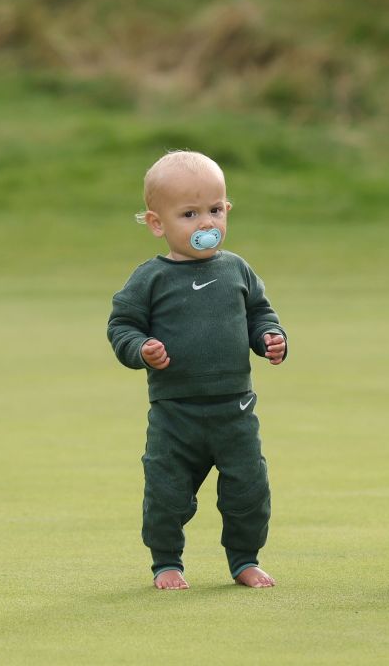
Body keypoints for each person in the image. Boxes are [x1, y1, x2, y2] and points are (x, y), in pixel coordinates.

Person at [107, 151, 288, 590]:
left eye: (215, 210)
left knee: (249, 490)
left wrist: (269, 338)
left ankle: (244, 559)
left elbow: (259, 315)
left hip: (235, 410)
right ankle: (166, 561)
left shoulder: (236, 270)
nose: (206, 224)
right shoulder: (151, 278)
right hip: (176, 414)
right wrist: (141, 348)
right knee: (167, 492)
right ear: (157, 223)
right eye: (189, 214)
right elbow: (122, 326)